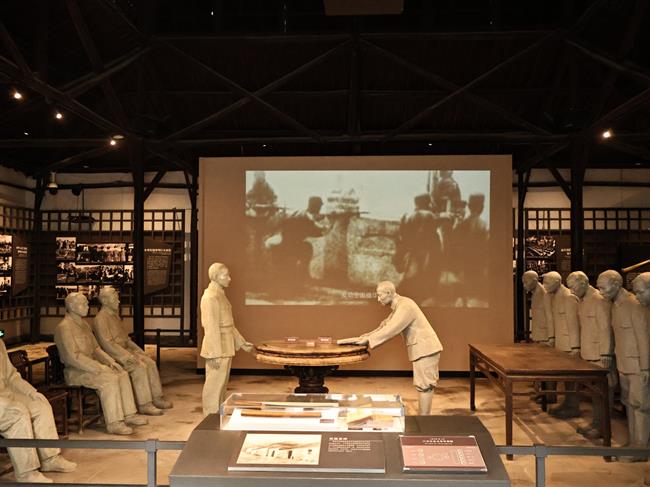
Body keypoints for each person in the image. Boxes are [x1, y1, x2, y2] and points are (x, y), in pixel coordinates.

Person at [337, 281, 443, 415]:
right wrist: (364, 337)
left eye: (379, 295)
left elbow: (392, 329)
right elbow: (385, 326)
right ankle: (423, 419)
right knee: (423, 386)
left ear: (388, 293)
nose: (378, 299)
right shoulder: (399, 306)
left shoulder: (405, 306)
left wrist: (369, 340)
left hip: (426, 349)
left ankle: (424, 421)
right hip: (423, 350)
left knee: (425, 386)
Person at [54, 293, 148, 435]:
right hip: (76, 371)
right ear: (72, 306)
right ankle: (114, 422)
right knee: (109, 380)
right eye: (84, 304)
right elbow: (72, 357)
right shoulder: (64, 327)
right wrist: (98, 367)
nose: (87, 306)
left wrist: (110, 362)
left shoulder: (84, 325)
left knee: (122, 373)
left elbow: (96, 349)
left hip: (90, 367)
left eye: (86, 303)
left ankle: (129, 414)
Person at [0, 340, 77, 483]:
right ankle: (27, 472)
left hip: (6, 394)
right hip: (2, 401)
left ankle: (49, 458)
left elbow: (11, 376)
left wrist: (32, 392)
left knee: (40, 406)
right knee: (18, 414)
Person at [92, 287, 173, 415]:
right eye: (115, 298)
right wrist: (127, 356)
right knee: (140, 367)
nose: (118, 301)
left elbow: (126, 339)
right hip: (115, 356)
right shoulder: (100, 319)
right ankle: (145, 404)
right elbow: (107, 344)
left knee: (150, 363)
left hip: (126, 351)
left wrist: (140, 351)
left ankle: (156, 397)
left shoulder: (114, 316)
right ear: (105, 301)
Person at [598, 270, 649, 462]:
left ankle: (641, 447)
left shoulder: (634, 304)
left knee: (640, 405)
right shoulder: (615, 305)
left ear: (616, 285)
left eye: (604, 288)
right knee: (628, 403)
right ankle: (634, 442)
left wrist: (645, 367)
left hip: (637, 365)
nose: (601, 292)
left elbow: (643, 338)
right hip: (624, 363)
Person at [200, 263, 255, 415]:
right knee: (213, 387)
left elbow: (229, 325)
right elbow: (210, 327)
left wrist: (242, 343)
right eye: (225, 276)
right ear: (216, 277)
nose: (229, 279)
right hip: (218, 349)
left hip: (225, 346)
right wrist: (214, 353)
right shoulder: (210, 297)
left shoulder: (220, 295)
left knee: (221, 386)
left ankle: (218, 414)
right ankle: (210, 417)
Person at [566, 271, 615, 440]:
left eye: (573, 287)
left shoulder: (599, 300)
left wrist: (606, 352)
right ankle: (596, 423)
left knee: (604, 392)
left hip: (600, 355)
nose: (571, 291)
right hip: (589, 353)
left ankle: (603, 427)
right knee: (595, 392)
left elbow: (605, 328)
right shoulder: (583, 300)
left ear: (583, 283)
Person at [543, 271, 581, 419]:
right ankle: (567, 403)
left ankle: (573, 406)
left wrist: (575, 347)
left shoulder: (568, 297)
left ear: (557, 282)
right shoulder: (555, 297)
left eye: (547, 283)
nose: (544, 286)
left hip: (569, 345)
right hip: (561, 344)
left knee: (572, 379)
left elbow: (574, 324)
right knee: (566, 378)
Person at [393, 193, 442, 304]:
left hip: (411, 253)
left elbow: (401, 236)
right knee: (422, 280)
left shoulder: (407, 216)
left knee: (409, 279)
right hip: (425, 253)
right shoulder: (430, 216)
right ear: (427, 203)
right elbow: (433, 237)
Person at [270, 196, 326, 286]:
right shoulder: (306, 218)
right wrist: (325, 229)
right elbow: (316, 231)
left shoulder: (299, 213)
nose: (320, 209)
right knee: (307, 248)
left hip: (284, 241)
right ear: (315, 206)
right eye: (319, 206)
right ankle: (301, 279)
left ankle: (296, 279)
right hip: (293, 244)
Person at [522, 270, 556, 404]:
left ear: (534, 281)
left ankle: (550, 395)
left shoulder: (544, 294)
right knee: (541, 367)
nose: (524, 284)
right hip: (538, 335)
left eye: (526, 281)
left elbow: (549, 316)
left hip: (545, 336)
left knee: (548, 367)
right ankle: (542, 392)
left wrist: (551, 336)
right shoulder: (535, 293)